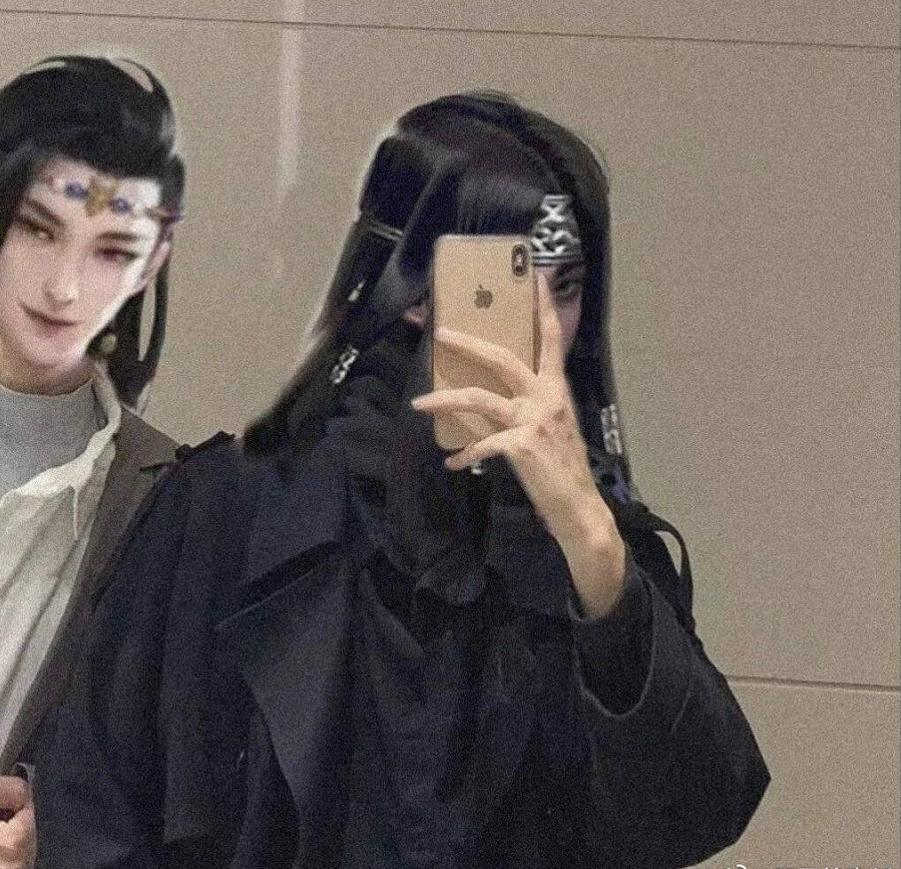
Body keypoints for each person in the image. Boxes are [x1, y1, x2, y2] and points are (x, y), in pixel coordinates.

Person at [36, 93, 768, 868]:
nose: (545, 326)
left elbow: (695, 812)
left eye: (567, 285)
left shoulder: (589, 539)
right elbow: (94, 810)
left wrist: (591, 542)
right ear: (411, 284)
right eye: (506, 280)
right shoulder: (228, 509)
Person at [0, 55, 185, 869]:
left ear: (154, 260)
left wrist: (63, 836)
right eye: (39, 229)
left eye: (111, 249)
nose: (64, 287)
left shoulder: (173, 501)